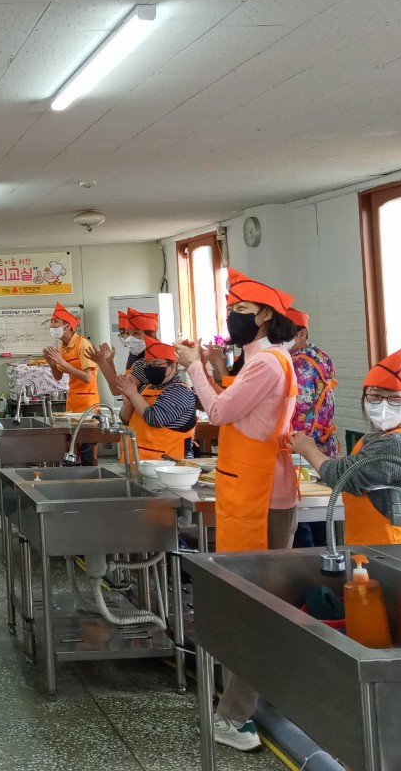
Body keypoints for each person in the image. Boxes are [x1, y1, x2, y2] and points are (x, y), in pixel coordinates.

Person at [174, 268, 298, 754]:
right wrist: (210, 365)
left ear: (265, 316)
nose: (233, 317)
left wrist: (193, 369)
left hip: (256, 496)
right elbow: (241, 406)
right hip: (261, 489)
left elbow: (221, 412)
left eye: (241, 311)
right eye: (231, 310)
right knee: (258, 604)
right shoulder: (268, 359)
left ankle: (233, 715)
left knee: (247, 609)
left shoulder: (266, 363)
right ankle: (248, 701)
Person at [290, 349, 401, 545]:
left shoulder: (398, 444)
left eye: (394, 399)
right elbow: (357, 465)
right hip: (372, 548)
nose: (383, 406)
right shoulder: (379, 437)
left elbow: (342, 475)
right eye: (375, 397)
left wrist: (308, 450)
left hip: (396, 549)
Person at [285, 307, 338, 547]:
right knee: (322, 513)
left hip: (301, 447)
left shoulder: (297, 365)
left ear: (301, 333)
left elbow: (299, 411)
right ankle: (327, 558)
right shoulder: (320, 355)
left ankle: (307, 564)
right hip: (325, 447)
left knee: (301, 514)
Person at [117, 336, 197, 460]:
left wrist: (133, 395)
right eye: (148, 365)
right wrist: (128, 406)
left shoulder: (179, 391)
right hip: (137, 462)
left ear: (173, 365)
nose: (151, 369)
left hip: (168, 465)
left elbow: (155, 419)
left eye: (156, 364)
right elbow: (126, 421)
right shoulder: (146, 387)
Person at [42, 302, 99, 464]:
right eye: (51, 322)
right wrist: (52, 364)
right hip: (72, 402)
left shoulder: (83, 344)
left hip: (88, 404)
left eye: (56, 322)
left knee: (87, 452)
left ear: (67, 326)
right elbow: (58, 376)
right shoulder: (62, 346)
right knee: (72, 450)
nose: (52, 325)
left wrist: (63, 363)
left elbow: (88, 377)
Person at [92, 308, 161, 397]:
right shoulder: (136, 355)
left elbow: (117, 390)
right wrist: (109, 361)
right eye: (127, 333)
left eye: (136, 333)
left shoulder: (151, 360)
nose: (129, 339)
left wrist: (101, 362)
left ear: (151, 335)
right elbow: (117, 386)